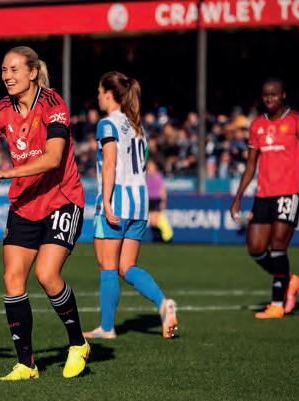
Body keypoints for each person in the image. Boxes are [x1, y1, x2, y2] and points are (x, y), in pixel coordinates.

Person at [0, 46, 89, 381]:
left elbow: (53, 158)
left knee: (47, 275)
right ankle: (26, 364)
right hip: (24, 203)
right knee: (12, 279)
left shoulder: (53, 104)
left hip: (62, 199)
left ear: (33, 73)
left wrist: (5, 174)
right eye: (3, 70)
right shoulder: (0, 110)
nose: (7, 76)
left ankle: (78, 343)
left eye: (14, 70)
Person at [82, 71, 178, 341]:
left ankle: (107, 327)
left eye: (100, 92)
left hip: (117, 200)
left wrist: (107, 202)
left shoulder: (107, 124)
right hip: (140, 203)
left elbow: (110, 163)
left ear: (109, 94)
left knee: (108, 267)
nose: (98, 97)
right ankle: (163, 303)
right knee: (127, 267)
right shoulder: (137, 126)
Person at [230, 78, 299, 319]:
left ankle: (276, 303)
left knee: (278, 246)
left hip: (290, 193)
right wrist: (238, 197)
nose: (270, 99)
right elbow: (251, 165)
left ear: (283, 95)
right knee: (255, 248)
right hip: (264, 194)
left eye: (274, 94)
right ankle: (290, 280)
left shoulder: (298, 121)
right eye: (266, 95)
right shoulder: (256, 126)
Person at [146, 160, 173, 242]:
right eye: (149, 165)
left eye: (151, 165)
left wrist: (163, 201)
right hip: (149, 200)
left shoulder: (158, 176)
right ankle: (157, 237)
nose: (149, 167)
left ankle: (164, 237)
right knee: (152, 221)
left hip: (156, 199)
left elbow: (162, 189)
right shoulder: (146, 176)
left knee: (156, 220)